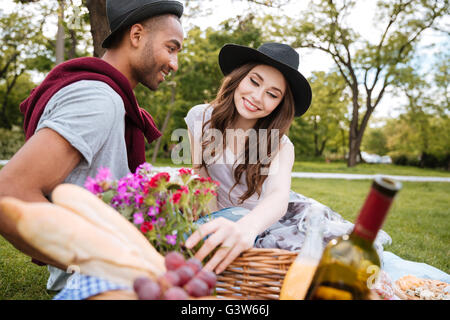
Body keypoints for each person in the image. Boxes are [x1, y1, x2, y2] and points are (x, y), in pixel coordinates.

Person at [0, 0, 184, 291]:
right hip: (102, 284)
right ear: (136, 36)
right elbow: (9, 193)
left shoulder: (110, 98)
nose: (174, 63)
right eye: (171, 48)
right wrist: (106, 261)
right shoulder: (98, 99)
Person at [183, 42, 312, 274]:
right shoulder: (199, 117)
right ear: (239, 78)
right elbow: (201, 176)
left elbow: (278, 196)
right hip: (217, 213)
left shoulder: (281, 145)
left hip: (259, 222)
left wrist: (247, 227)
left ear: (280, 104)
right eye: (254, 81)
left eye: (272, 94)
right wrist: (211, 218)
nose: (256, 97)